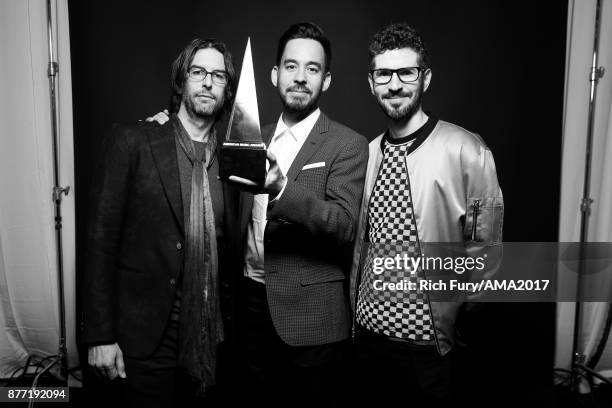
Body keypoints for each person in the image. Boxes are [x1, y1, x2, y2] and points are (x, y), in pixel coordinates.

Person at [349, 22, 504, 405]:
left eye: (407, 72)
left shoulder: (468, 149)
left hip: (428, 345)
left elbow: (487, 244)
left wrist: (459, 311)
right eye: (384, 74)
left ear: (425, 78)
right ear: (372, 83)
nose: (395, 84)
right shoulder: (365, 154)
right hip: (367, 337)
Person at [81, 38, 238, 406]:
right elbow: (100, 242)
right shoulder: (133, 140)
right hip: (145, 337)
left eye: (218, 75)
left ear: (228, 90)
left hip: (210, 335)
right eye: (198, 72)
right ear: (181, 80)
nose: (207, 82)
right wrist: (99, 336)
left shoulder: (235, 162)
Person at [228, 22, 368, 407]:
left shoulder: (347, 144)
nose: (301, 77)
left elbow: (343, 225)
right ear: (275, 75)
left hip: (312, 320)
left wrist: (281, 189)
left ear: (326, 81)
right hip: (250, 305)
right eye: (291, 66)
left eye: (312, 69)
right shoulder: (252, 136)